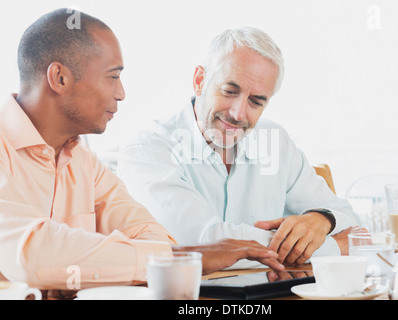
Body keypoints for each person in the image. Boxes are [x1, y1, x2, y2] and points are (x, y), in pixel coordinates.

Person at [0, 9, 285, 291]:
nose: (121, 93)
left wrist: (72, 269)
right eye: (112, 77)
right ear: (60, 78)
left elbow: (157, 238)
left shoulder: (85, 164)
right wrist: (62, 267)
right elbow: (33, 255)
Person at [119, 27, 361, 269]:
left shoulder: (275, 141)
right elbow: (204, 244)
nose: (238, 113)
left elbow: (351, 223)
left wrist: (320, 219)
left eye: (256, 102)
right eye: (229, 91)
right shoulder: (148, 150)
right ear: (200, 81)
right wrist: (332, 248)